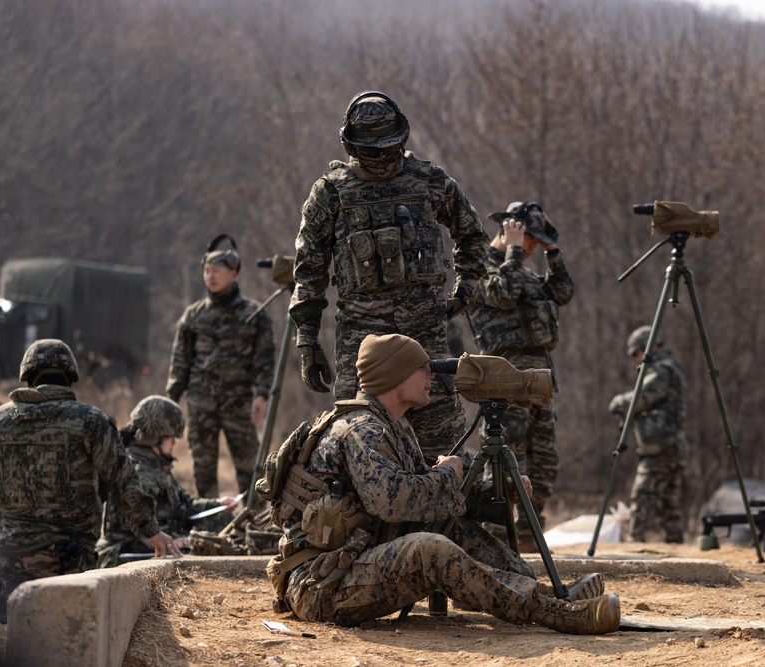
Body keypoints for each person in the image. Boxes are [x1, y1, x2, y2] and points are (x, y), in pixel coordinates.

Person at [269, 333, 619, 635]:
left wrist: (493, 493)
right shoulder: (363, 431)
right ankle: (551, 613)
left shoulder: (392, 426)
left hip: (350, 563)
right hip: (322, 584)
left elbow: (430, 498)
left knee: (454, 528)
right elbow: (395, 503)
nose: (431, 376)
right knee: (428, 548)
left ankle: (543, 595)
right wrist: (448, 474)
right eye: (422, 368)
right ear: (396, 375)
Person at [289, 90, 490, 464]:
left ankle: (443, 521)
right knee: (356, 450)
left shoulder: (430, 182)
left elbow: (473, 235)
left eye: (387, 147)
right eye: (372, 149)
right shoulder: (332, 193)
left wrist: (466, 290)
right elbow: (309, 270)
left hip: (426, 339)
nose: (381, 158)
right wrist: (308, 343)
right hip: (361, 348)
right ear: (351, 145)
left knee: (444, 452)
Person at [0, 339, 180, 623]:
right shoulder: (91, 420)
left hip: (12, 555)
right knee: (68, 638)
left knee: (21, 637)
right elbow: (122, 481)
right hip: (67, 559)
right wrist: (152, 531)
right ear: (69, 377)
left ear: (27, 376)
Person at [466, 201, 574, 549]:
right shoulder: (480, 267)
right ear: (512, 231)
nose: (531, 249)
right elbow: (502, 293)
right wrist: (512, 251)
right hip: (505, 379)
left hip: (538, 379)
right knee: (505, 461)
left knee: (544, 463)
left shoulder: (525, 271)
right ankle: (497, 539)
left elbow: (562, 293)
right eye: (530, 241)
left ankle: (528, 536)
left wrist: (553, 253)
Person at [167, 235, 276, 497]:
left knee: (250, 467)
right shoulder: (193, 315)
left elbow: (264, 360)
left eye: (216, 271)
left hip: (238, 404)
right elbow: (180, 361)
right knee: (203, 469)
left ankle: (252, 522)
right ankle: (210, 521)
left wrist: (261, 394)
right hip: (201, 404)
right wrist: (170, 400)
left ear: (233, 272)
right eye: (206, 271)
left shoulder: (254, 315)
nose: (210, 276)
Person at [97, 395, 239, 567]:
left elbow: (186, 505)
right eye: (169, 437)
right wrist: (183, 540)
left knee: (226, 522)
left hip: (151, 547)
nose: (174, 442)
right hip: (125, 554)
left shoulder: (157, 466)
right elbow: (144, 530)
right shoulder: (134, 470)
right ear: (154, 437)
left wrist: (217, 505)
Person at [609, 327, 690, 544]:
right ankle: (675, 545)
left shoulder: (662, 371)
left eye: (637, 352)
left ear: (649, 347)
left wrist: (618, 402)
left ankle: (635, 545)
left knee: (643, 496)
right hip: (670, 446)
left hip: (662, 447)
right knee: (668, 503)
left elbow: (641, 398)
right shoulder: (668, 369)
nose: (637, 358)